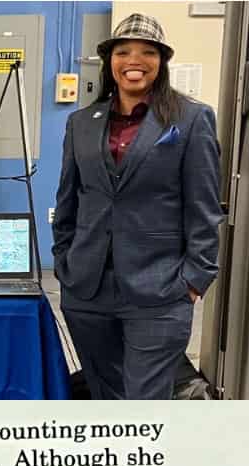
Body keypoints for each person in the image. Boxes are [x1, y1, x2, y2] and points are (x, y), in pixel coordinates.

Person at [51, 13, 223, 401]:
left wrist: (195, 279)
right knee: (104, 392)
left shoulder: (191, 119)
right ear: (109, 60)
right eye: (123, 51)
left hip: (160, 288)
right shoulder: (82, 122)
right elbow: (68, 200)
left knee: (146, 402)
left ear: (162, 62)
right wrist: (65, 262)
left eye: (148, 52)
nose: (135, 60)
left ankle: (147, 461)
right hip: (87, 288)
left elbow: (204, 206)